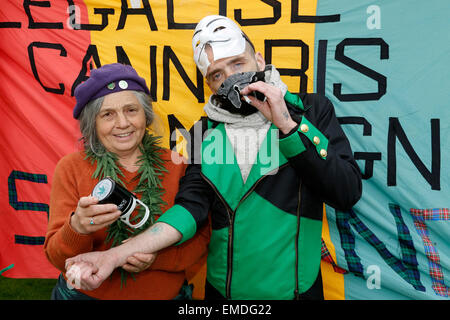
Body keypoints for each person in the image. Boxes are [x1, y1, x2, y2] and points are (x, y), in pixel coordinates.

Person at [65, 15, 362, 300]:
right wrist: (113, 256)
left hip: (298, 291)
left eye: (238, 63)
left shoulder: (311, 110)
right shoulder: (203, 132)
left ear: (259, 60)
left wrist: (287, 125)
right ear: (209, 84)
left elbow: (345, 192)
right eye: (217, 74)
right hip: (223, 294)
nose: (232, 79)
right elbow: (190, 209)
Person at [44, 63, 209, 300]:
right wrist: (77, 227)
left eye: (131, 110)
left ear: (146, 115)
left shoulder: (178, 165)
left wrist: (153, 255)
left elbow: (201, 241)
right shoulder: (71, 168)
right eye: (108, 114)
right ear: (93, 124)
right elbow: (58, 259)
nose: (122, 123)